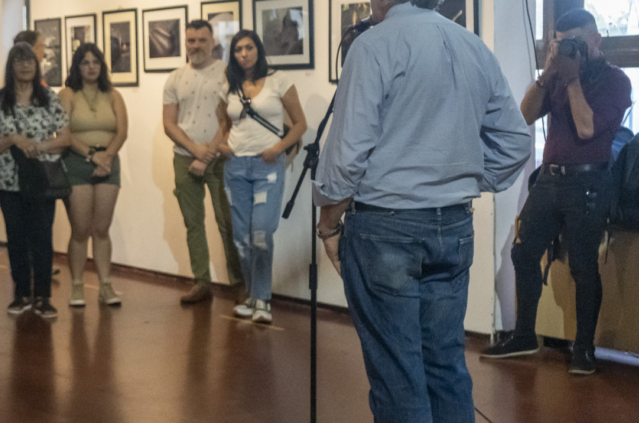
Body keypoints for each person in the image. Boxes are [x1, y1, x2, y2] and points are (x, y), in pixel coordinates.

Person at [313, 0, 531, 420]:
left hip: (385, 228)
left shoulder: (373, 45)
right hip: (454, 225)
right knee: (446, 366)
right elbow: (515, 142)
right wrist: (461, 178)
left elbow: (346, 156)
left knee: (398, 375)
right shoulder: (472, 45)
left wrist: (328, 225)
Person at [483, 9, 633, 375]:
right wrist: (548, 74)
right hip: (549, 180)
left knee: (583, 267)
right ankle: (524, 335)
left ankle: (584, 349)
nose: (569, 50)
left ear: (595, 40)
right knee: (522, 253)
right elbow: (525, 115)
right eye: (562, 43)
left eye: (576, 42)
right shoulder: (557, 77)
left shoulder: (616, 81)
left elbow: (586, 128)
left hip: (589, 184)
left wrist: (572, 79)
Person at [218, 30, 308, 323]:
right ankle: (252, 296)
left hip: (266, 166)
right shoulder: (229, 86)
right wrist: (221, 145)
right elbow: (225, 125)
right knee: (241, 239)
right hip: (235, 167)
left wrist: (277, 148)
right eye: (238, 49)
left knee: (261, 232)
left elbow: (300, 124)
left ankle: (262, 298)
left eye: (249, 47)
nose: (243, 54)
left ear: (258, 49)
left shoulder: (278, 80)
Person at [0, 42, 70, 319]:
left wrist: (38, 146)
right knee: (16, 238)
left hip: (42, 178)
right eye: (19, 60)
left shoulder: (48, 97)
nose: (25, 65)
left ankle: (43, 296)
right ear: (11, 66)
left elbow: (66, 138)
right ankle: (21, 293)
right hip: (9, 181)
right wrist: (12, 140)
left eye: (30, 60)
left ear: (36, 64)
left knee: (42, 237)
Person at [162, 20, 243, 304]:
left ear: (213, 42)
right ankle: (201, 282)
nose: (196, 46)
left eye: (202, 40)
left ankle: (239, 284)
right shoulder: (175, 78)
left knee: (228, 223)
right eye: (191, 41)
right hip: (184, 159)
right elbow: (169, 123)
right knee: (193, 223)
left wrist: (207, 153)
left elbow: (230, 118)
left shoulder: (226, 73)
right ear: (185, 43)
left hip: (220, 159)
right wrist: (194, 150)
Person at [57, 43, 127, 307]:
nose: (91, 67)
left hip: (108, 163)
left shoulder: (113, 95)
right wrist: (91, 155)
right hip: (77, 163)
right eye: (85, 62)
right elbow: (64, 133)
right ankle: (77, 285)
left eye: (95, 62)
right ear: (77, 66)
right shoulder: (67, 94)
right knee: (80, 229)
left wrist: (106, 156)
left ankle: (105, 285)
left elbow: (122, 132)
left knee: (101, 229)